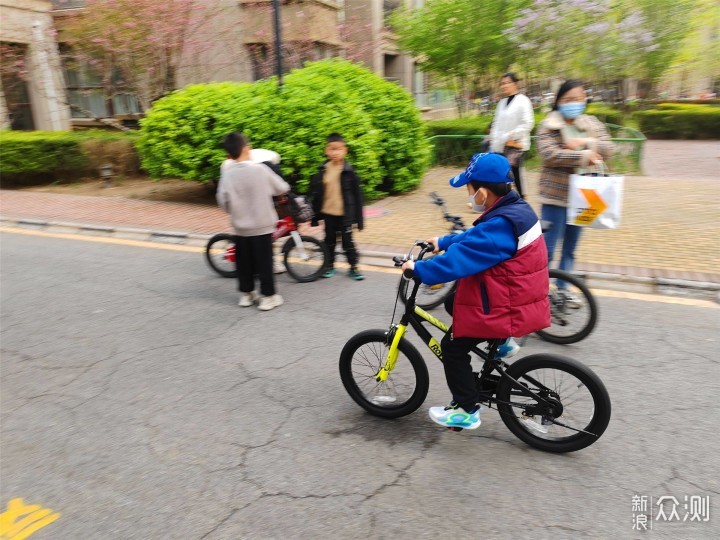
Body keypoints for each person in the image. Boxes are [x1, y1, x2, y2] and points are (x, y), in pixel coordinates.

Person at [401, 153, 550, 430]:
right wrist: (444, 240)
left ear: (482, 192)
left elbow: (458, 261)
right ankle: (502, 342)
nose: (468, 194)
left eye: (469, 189)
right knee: (454, 302)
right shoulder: (514, 210)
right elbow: (477, 238)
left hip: (505, 304)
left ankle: (466, 410)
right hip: (515, 293)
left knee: (452, 349)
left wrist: (418, 270)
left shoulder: (500, 224)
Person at [536, 79, 614, 294]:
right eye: (568, 99)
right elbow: (550, 154)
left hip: (585, 198)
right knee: (547, 251)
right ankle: (537, 293)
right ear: (558, 101)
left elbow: (609, 148)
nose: (574, 103)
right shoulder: (549, 125)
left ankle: (562, 292)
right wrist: (582, 157)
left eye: (578, 99)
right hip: (555, 198)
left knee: (570, 250)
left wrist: (585, 144)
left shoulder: (591, 123)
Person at [217, 132, 290, 311]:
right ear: (247, 149)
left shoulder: (227, 174)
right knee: (265, 261)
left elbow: (222, 200)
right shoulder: (260, 170)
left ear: (228, 155)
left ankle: (247, 295)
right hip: (263, 225)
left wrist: (234, 211)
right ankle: (268, 297)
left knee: (244, 262)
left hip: (241, 227)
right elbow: (282, 187)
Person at [309, 133, 365, 281]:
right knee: (329, 242)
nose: (334, 153)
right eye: (331, 149)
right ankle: (330, 266)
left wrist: (359, 220)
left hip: (345, 215)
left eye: (338, 149)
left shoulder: (349, 172)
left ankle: (353, 267)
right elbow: (317, 195)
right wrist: (315, 217)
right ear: (326, 151)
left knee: (348, 243)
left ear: (345, 150)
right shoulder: (322, 171)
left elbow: (358, 197)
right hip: (328, 214)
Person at [221, 148, 286, 275]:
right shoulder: (232, 168)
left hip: (249, 214)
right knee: (263, 239)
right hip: (250, 215)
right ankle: (268, 265)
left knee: (269, 234)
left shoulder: (263, 164)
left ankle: (262, 269)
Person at [488, 73, 535, 199]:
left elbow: (528, 123)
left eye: (507, 83)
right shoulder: (501, 103)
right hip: (501, 144)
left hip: (516, 144)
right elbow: (496, 123)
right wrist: (494, 138)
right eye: (502, 83)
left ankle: (519, 197)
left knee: (511, 169)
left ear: (515, 84)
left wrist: (511, 135)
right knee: (506, 171)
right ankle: (509, 197)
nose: (504, 86)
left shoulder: (523, 101)